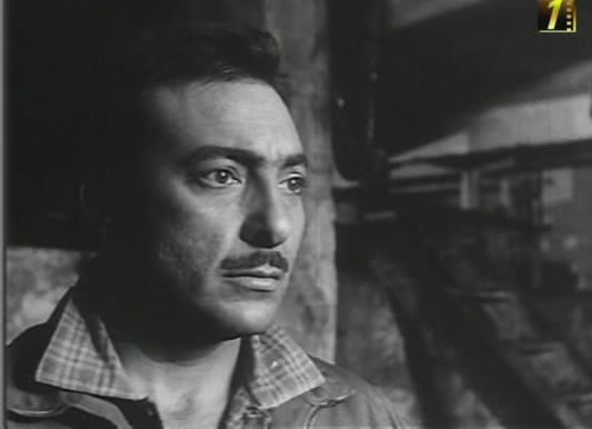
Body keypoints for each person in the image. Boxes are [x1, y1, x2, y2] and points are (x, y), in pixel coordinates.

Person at [6, 24, 406, 428]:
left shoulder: (363, 420)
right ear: (105, 204)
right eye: (222, 176)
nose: (276, 225)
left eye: (292, 182)